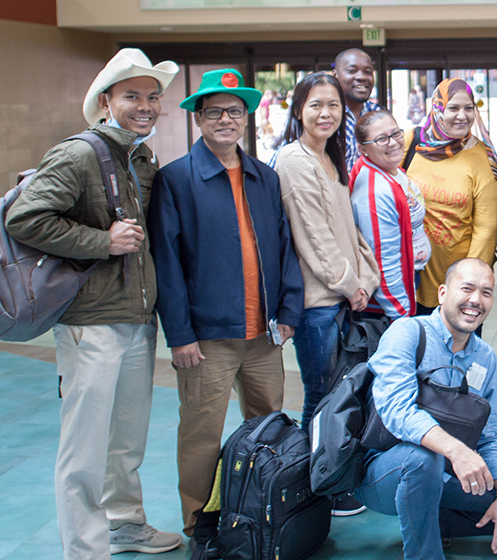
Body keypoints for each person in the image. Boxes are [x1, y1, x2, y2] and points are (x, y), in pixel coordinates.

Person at [5, 48, 183, 558]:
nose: (145, 106)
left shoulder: (141, 158)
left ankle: (124, 524)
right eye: (132, 96)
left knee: (126, 440)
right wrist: (100, 242)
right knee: (83, 449)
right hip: (91, 323)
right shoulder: (79, 154)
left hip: (135, 318)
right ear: (106, 101)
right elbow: (26, 218)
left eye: (152, 97)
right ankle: (85, 550)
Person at [149, 68, 304, 543]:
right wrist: (180, 335)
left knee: (268, 432)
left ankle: (257, 512)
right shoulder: (175, 180)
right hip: (207, 340)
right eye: (213, 111)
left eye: (234, 111)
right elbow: (167, 263)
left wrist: (289, 313)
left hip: (263, 337)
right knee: (201, 436)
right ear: (198, 117)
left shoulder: (264, 176)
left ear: (246, 118)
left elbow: (285, 246)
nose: (224, 119)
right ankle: (199, 526)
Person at [359, 258, 497, 558]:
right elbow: (397, 410)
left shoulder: (485, 358)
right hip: (384, 469)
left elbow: (492, 435)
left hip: (446, 473)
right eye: (467, 288)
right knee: (424, 459)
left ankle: (425, 515)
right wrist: (456, 450)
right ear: (442, 293)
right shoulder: (407, 333)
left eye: (487, 292)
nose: (476, 300)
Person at [274, 72, 378, 462]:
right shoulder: (295, 160)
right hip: (318, 303)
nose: (326, 113)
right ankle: (312, 480)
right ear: (299, 109)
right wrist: (349, 284)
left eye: (333, 104)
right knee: (319, 393)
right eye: (316, 104)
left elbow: (348, 230)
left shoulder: (329, 157)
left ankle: (329, 473)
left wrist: (364, 279)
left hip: (343, 296)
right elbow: (315, 237)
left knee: (338, 391)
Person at [402, 78, 497, 316]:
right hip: (408, 276)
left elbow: (487, 229)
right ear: (438, 109)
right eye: (454, 108)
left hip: (456, 281)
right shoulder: (411, 143)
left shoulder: (482, 158)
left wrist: (466, 285)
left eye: (469, 108)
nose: (463, 115)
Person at [350, 109, 430, 321]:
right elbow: (383, 265)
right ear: (362, 149)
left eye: (396, 133)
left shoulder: (391, 169)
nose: (393, 142)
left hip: (408, 281)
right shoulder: (375, 193)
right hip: (387, 305)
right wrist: (401, 318)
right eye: (381, 139)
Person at [269, 48, 380, 170]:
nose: (361, 77)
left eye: (368, 72)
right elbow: (276, 168)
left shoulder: (379, 116)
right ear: (335, 76)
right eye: (352, 71)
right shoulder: (320, 121)